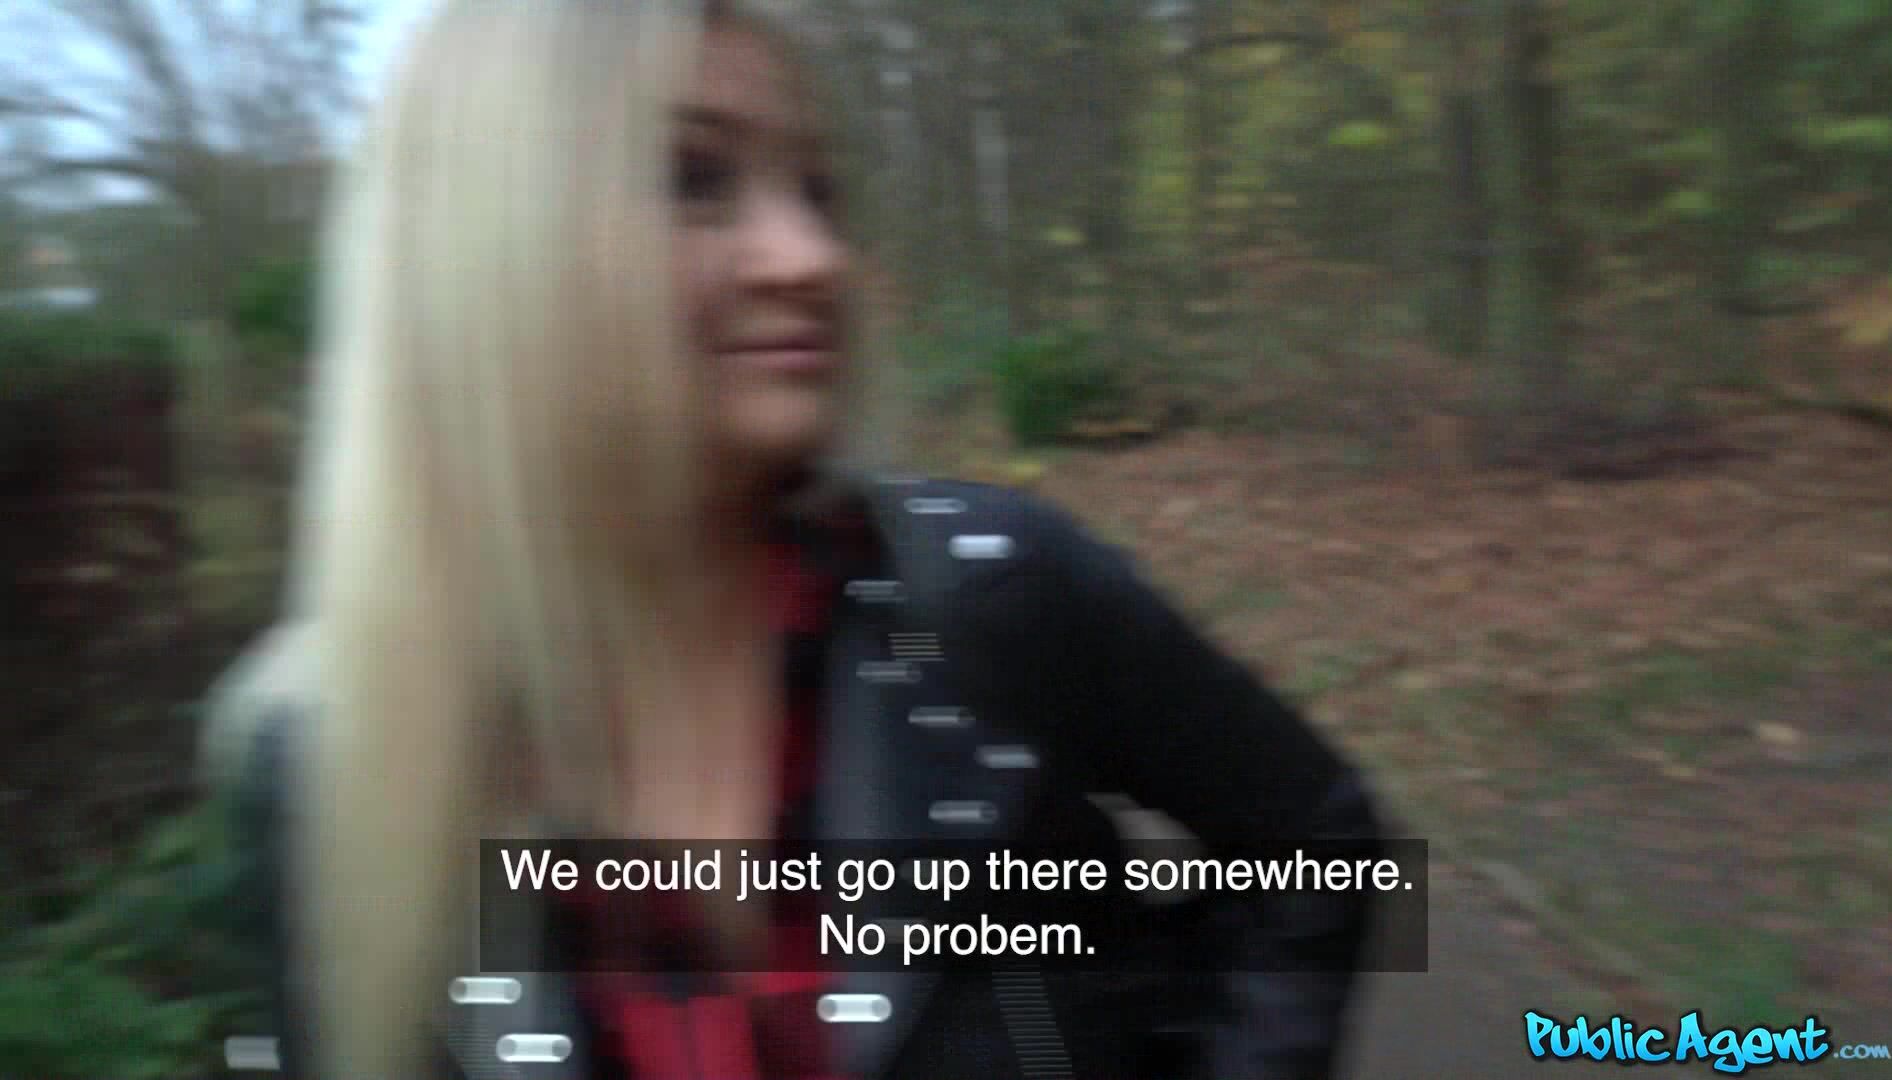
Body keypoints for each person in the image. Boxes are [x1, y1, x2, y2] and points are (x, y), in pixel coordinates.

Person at [203, 1, 1384, 1077]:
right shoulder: (323, 766)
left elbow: (1321, 846)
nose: (813, 257)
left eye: (817, 190)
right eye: (694, 178)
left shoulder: (989, 595)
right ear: (482, 253)